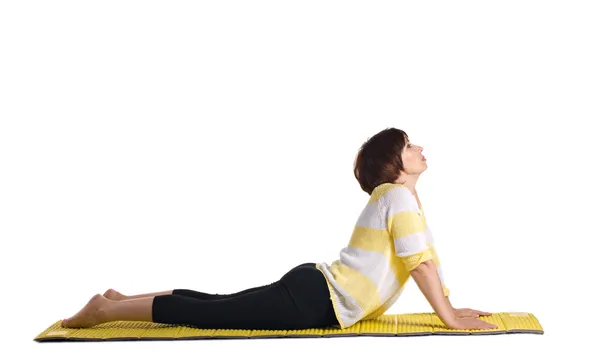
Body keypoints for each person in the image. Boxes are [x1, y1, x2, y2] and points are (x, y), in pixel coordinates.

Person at [61, 127, 497, 331]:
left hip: (315, 287)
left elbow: (426, 261)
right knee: (212, 314)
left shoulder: (400, 200)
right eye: (409, 146)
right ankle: (106, 311)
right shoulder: (397, 197)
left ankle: (119, 299)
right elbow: (418, 264)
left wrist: (453, 308)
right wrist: (448, 318)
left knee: (218, 304)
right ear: (393, 163)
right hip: (319, 299)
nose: (420, 148)